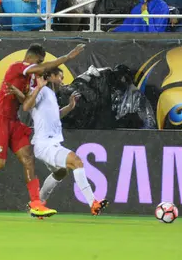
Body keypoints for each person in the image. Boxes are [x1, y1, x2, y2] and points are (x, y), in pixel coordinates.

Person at [0, 43, 86, 217]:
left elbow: (26, 104)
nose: (40, 66)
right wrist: (67, 57)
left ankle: (36, 203)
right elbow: (43, 67)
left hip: (13, 120)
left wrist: (33, 89)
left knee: (28, 158)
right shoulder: (18, 67)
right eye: (39, 61)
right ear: (31, 58)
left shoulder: (30, 79)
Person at [11, 67, 109, 216]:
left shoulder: (50, 94)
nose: (62, 81)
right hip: (46, 144)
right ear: (50, 77)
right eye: (60, 77)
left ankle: (38, 204)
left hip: (48, 144)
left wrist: (70, 107)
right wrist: (37, 87)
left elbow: (55, 116)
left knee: (61, 172)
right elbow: (27, 106)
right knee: (76, 162)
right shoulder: (42, 91)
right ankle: (93, 203)